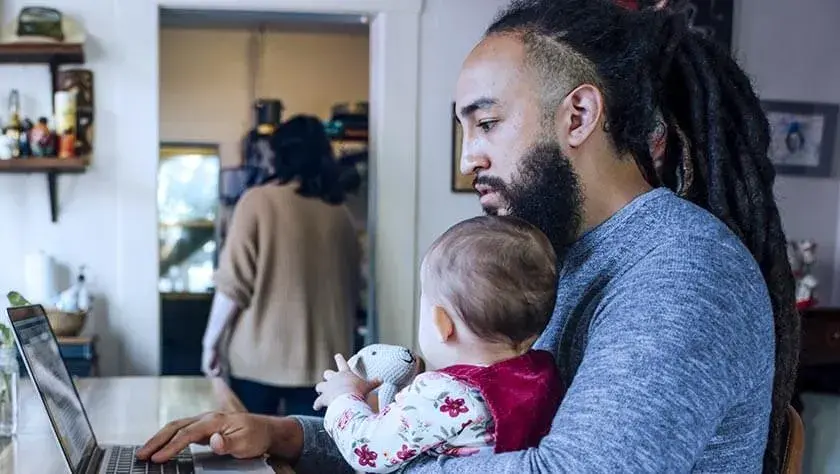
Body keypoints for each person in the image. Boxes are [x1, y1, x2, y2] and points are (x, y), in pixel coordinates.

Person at [137, 1, 799, 472]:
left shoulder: (681, 271)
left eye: (484, 123)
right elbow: (452, 441)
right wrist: (283, 435)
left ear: (579, 114)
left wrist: (374, 456)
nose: (466, 159)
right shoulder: (557, 258)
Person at [313, 216, 564, 473]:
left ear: (442, 322)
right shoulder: (540, 374)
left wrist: (343, 396)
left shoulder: (442, 393)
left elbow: (366, 450)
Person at [201, 115, 360, 417]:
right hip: (324, 367)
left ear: (278, 155)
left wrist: (210, 343)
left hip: (257, 362)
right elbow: (354, 289)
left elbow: (233, 285)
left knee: (251, 458)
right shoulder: (340, 214)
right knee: (313, 457)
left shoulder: (257, 201)